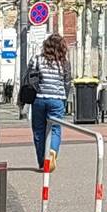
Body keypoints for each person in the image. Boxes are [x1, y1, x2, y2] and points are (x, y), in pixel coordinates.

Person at [29, 34, 71, 170]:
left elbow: (30, 78)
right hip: (57, 99)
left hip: (40, 99)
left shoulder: (37, 60)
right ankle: (52, 151)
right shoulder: (64, 63)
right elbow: (67, 82)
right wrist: (64, 97)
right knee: (55, 129)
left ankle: (42, 162)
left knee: (39, 131)